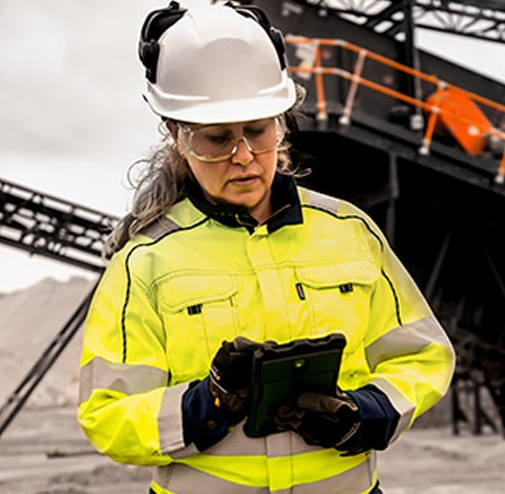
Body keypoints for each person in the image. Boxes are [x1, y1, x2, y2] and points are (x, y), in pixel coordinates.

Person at [76, 2, 456, 493]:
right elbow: (107, 412)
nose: (243, 158)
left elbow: (423, 355)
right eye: (216, 139)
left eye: (258, 131)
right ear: (176, 133)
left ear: (282, 121)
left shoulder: (349, 232)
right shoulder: (146, 262)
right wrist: (202, 406)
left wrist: (367, 412)